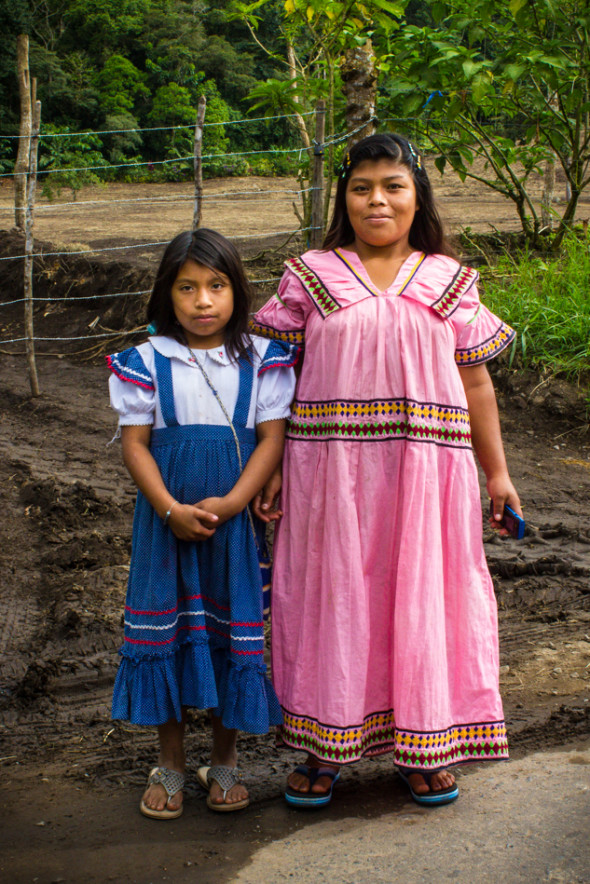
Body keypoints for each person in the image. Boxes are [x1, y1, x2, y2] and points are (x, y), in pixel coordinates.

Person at [251, 133, 521, 808]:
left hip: (426, 474)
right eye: (362, 186)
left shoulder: (449, 280)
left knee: (423, 595)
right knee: (334, 597)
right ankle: (325, 745)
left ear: (418, 196)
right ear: (344, 197)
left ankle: (423, 742)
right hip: (329, 472)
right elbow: (274, 379)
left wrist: (498, 475)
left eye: (394, 186)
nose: (378, 199)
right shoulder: (311, 274)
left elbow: (478, 385)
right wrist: (272, 463)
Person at [106, 228, 297, 818]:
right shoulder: (143, 362)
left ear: (237, 291)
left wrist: (236, 501)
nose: (203, 301)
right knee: (164, 636)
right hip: (164, 526)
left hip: (231, 527)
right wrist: (169, 508)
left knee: (227, 634)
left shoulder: (262, 360)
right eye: (187, 288)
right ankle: (170, 762)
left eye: (216, 286)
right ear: (169, 294)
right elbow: (135, 446)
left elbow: (271, 438)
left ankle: (225, 761)